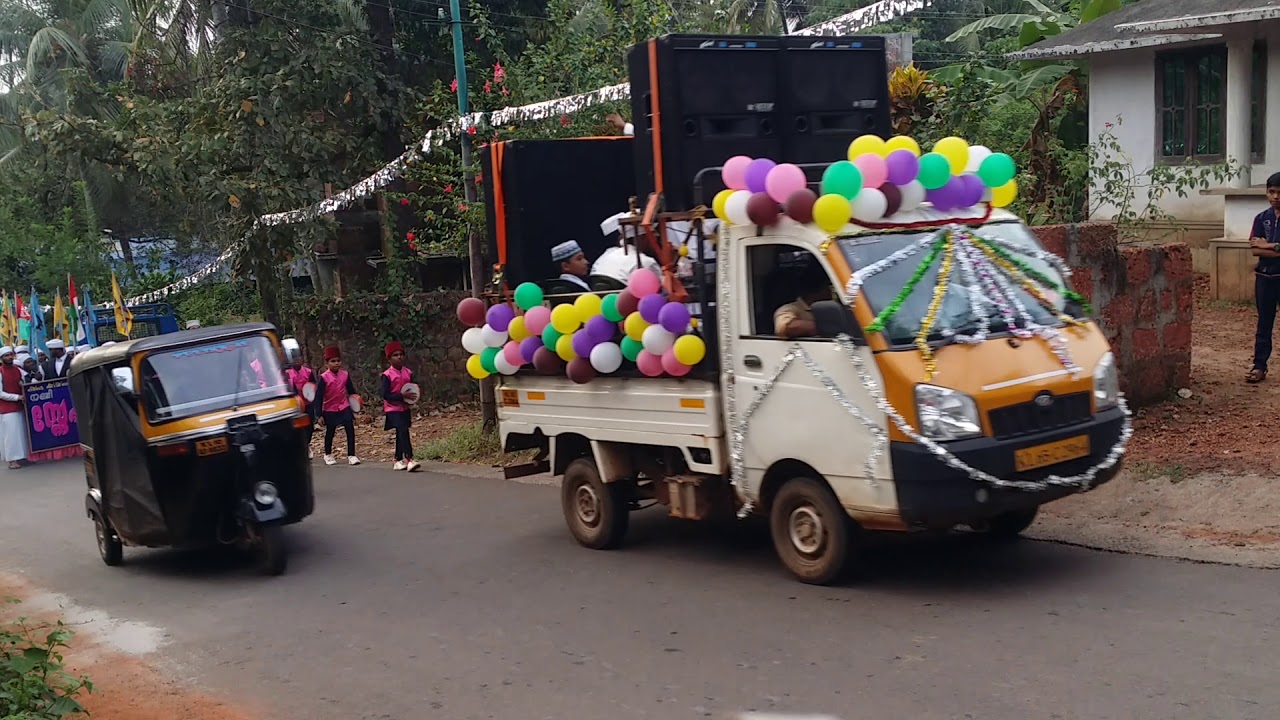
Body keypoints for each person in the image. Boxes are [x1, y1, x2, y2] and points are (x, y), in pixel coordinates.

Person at [1247, 171, 1280, 383]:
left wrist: (1267, 244)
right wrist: (1272, 249)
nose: (1276, 197)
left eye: (1279, 193)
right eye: (1272, 192)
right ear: (1266, 193)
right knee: (1264, 324)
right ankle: (1259, 366)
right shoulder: (1261, 218)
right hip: (1265, 278)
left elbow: (1262, 247)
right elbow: (1255, 250)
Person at [312, 346, 359, 466]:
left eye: (338, 360)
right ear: (326, 363)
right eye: (333, 361)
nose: (336, 363)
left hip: (344, 406)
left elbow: (351, 390)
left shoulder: (345, 375)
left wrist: (356, 403)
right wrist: (319, 415)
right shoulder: (323, 378)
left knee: (350, 428)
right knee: (330, 431)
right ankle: (327, 454)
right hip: (330, 408)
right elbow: (318, 397)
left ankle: (351, 455)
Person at [380, 341, 420, 472]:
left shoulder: (408, 372)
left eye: (401, 354)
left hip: (404, 408)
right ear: (389, 358)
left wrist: (414, 396)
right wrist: (401, 396)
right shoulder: (387, 375)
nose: (399, 357)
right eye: (395, 355)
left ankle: (398, 460)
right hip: (392, 409)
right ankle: (410, 459)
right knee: (403, 430)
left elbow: (412, 389)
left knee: (401, 432)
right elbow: (385, 394)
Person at [774, 266, 833, 339]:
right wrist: (826, 327)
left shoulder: (829, 308)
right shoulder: (789, 309)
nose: (830, 292)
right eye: (828, 287)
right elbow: (787, 327)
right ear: (816, 290)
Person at [0, 347, 27, 469]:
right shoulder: (0, 372)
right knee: (11, 435)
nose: (9, 357)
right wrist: (17, 397)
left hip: (20, 405)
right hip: (7, 408)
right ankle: (12, 460)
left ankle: (23, 456)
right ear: (1, 358)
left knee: (22, 433)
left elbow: (26, 383)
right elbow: (0, 393)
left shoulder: (18, 370)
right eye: (6, 355)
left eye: (11, 355)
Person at [285, 352, 316, 459]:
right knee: (297, 428)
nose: (297, 360)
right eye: (294, 358)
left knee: (310, 427)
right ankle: (300, 448)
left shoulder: (308, 372)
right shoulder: (287, 373)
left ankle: (306, 445)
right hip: (295, 404)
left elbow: (313, 385)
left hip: (307, 403)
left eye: (298, 357)